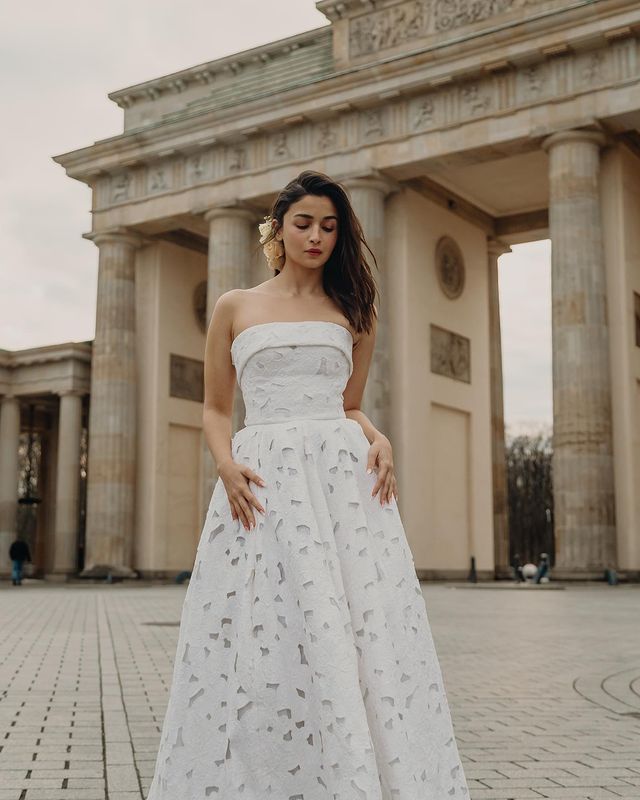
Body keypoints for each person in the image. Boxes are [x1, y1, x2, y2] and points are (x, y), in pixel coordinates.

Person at [145, 170, 470, 799]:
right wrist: (225, 463)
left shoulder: (355, 311)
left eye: (329, 225)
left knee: (347, 630)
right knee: (266, 637)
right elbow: (215, 408)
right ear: (278, 228)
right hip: (262, 482)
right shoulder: (234, 306)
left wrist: (378, 438)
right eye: (304, 223)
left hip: (341, 486)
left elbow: (348, 406)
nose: (316, 236)